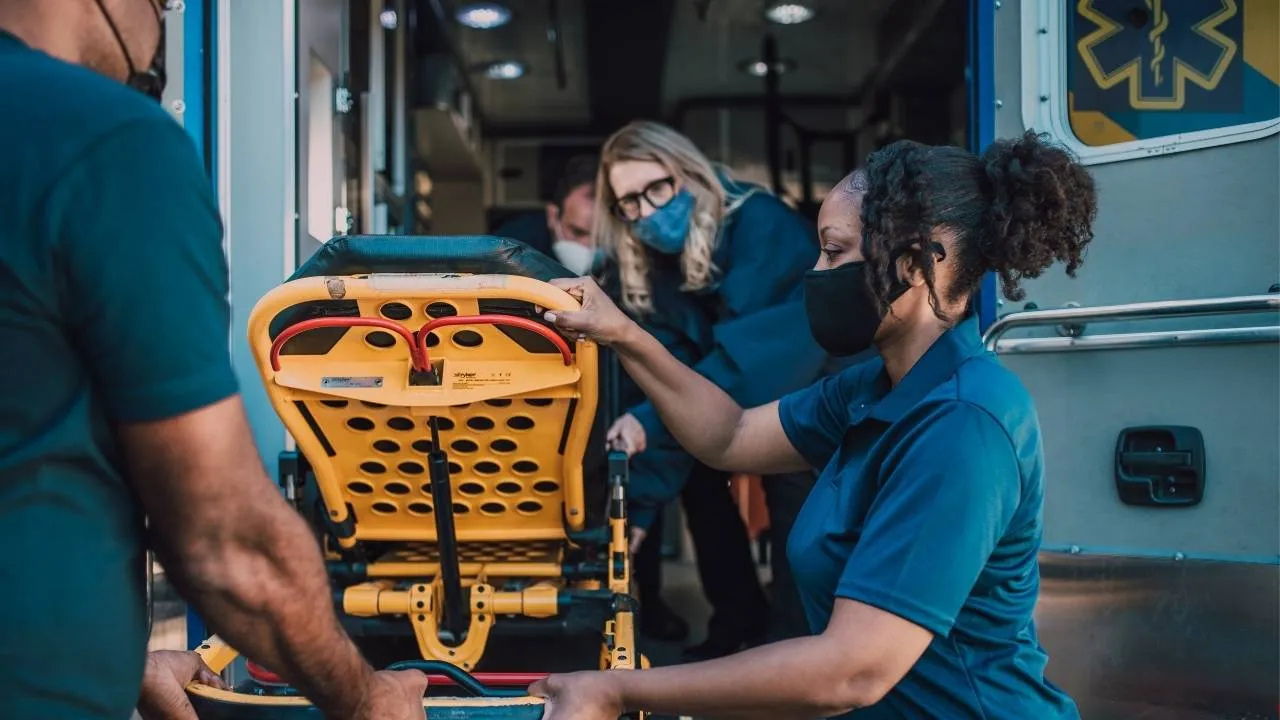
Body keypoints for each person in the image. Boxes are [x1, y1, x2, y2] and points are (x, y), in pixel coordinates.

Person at [531, 130, 1097, 719]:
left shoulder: (961, 423)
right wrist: (620, 331)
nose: (817, 270)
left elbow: (851, 671)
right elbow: (728, 435)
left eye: (833, 250)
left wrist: (615, 689)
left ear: (913, 264)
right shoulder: (870, 390)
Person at [0, 2, 426, 718]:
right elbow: (225, 539)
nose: (160, 27)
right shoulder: (108, 140)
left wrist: (129, 650)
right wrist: (370, 700)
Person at [591, 120, 827, 657]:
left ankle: (793, 655)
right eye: (629, 203)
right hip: (746, 395)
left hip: (811, 391)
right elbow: (676, 370)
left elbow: (748, 364)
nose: (646, 212)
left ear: (687, 172)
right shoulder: (659, 264)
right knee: (699, 470)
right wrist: (639, 512)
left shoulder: (759, 226)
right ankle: (739, 624)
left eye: (656, 189)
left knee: (799, 517)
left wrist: (651, 420)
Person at [493, 153, 602, 275]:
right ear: (553, 216)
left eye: (600, 237)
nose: (588, 246)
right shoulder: (512, 245)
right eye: (577, 232)